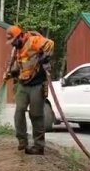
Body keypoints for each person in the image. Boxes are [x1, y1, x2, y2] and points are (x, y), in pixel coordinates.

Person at [4, 25, 54, 155]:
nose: (13, 44)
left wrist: (44, 57)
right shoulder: (16, 50)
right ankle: (22, 141)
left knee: (36, 114)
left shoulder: (33, 41)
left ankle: (38, 146)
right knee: (19, 112)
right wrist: (10, 74)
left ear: (20, 36)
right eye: (11, 42)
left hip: (37, 83)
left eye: (14, 40)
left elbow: (50, 44)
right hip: (23, 83)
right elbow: (20, 67)